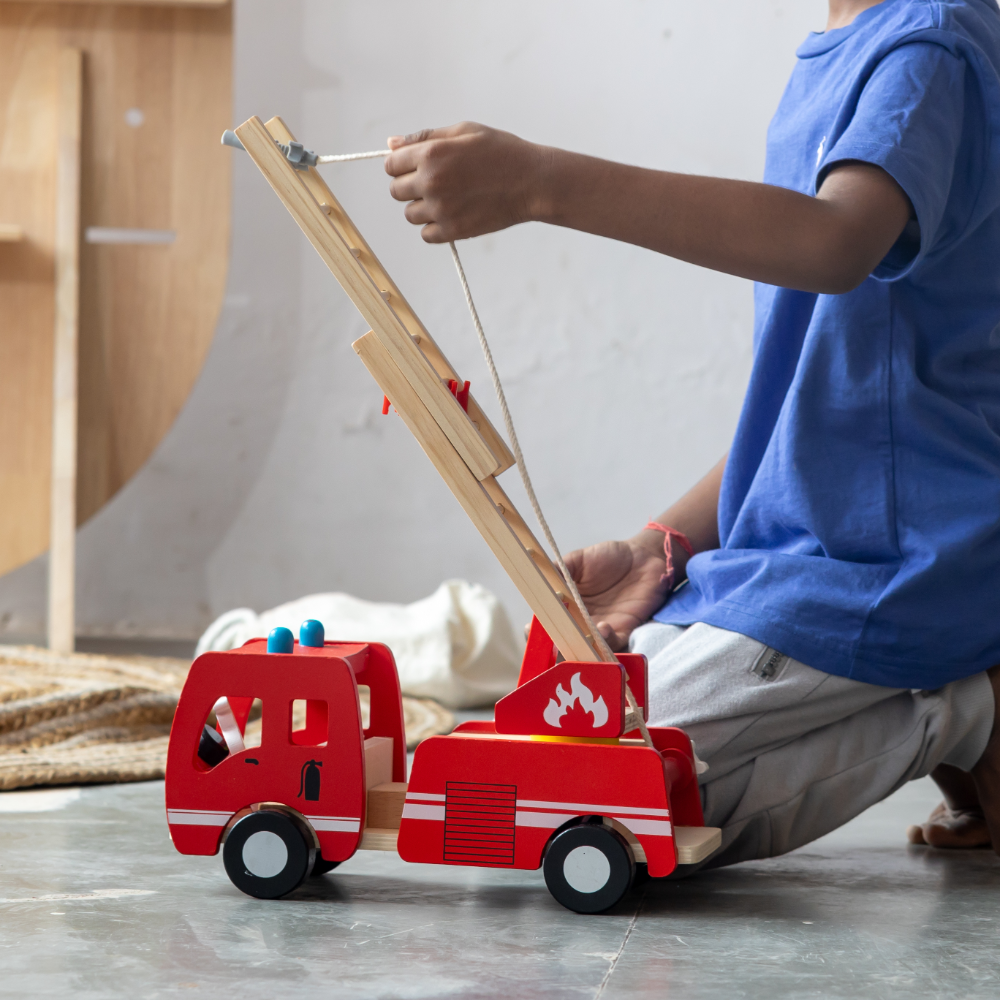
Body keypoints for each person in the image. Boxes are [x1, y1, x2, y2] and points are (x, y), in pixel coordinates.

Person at [384, 0, 1000, 867]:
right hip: (815, 555)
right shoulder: (855, 49)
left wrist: (539, 182)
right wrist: (658, 547)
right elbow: (820, 399)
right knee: (570, 750)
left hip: (900, 561)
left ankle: (965, 708)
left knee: (590, 801)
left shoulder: (925, 49)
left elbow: (831, 245)